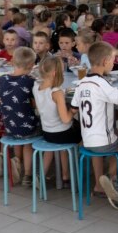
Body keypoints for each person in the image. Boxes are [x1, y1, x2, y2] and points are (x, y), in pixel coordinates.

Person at [71, 42, 118, 207]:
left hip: (87, 141)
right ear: (105, 61)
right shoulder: (102, 83)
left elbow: (74, 108)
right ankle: (114, 180)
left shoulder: (81, 83)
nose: (115, 62)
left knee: (116, 137)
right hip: (104, 143)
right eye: (113, 59)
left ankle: (99, 186)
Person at [0, 47, 40, 187]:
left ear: (12, 61)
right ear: (32, 65)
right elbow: (35, 104)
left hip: (9, 127)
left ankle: (15, 159)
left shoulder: (2, 79)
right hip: (27, 127)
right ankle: (27, 175)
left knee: (17, 129)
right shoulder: (30, 82)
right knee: (28, 144)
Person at [33, 57, 80, 187]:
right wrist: (73, 111)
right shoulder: (57, 92)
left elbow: (39, 109)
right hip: (62, 133)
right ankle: (72, 172)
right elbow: (66, 119)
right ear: (55, 73)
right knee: (80, 132)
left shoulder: (36, 87)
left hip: (47, 132)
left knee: (56, 144)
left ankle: (41, 175)